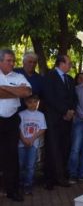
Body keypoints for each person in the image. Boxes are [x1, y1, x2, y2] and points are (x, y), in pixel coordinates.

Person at [0, 49, 32, 202]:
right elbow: (19, 92)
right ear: (0, 61)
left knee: (11, 157)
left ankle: (12, 191)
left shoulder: (19, 76)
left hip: (12, 121)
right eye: (8, 61)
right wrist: (15, 91)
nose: (12, 63)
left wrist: (4, 89)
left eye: (13, 61)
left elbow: (26, 92)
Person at [42, 54, 76, 190]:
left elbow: (74, 97)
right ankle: (49, 179)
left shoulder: (70, 79)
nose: (71, 65)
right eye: (69, 63)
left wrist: (71, 111)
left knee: (64, 148)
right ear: (61, 63)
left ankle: (60, 175)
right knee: (52, 148)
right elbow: (49, 97)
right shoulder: (49, 76)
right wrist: (64, 111)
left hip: (67, 120)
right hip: (53, 119)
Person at [18, 95, 47, 195]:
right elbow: (18, 129)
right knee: (21, 165)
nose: (33, 104)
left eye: (35, 102)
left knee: (31, 166)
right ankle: (20, 183)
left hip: (33, 144)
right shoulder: (21, 114)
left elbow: (43, 128)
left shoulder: (40, 115)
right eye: (30, 102)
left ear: (38, 102)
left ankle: (28, 185)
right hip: (21, 145)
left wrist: (32, 138)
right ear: (26, 102)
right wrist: (24, 139)